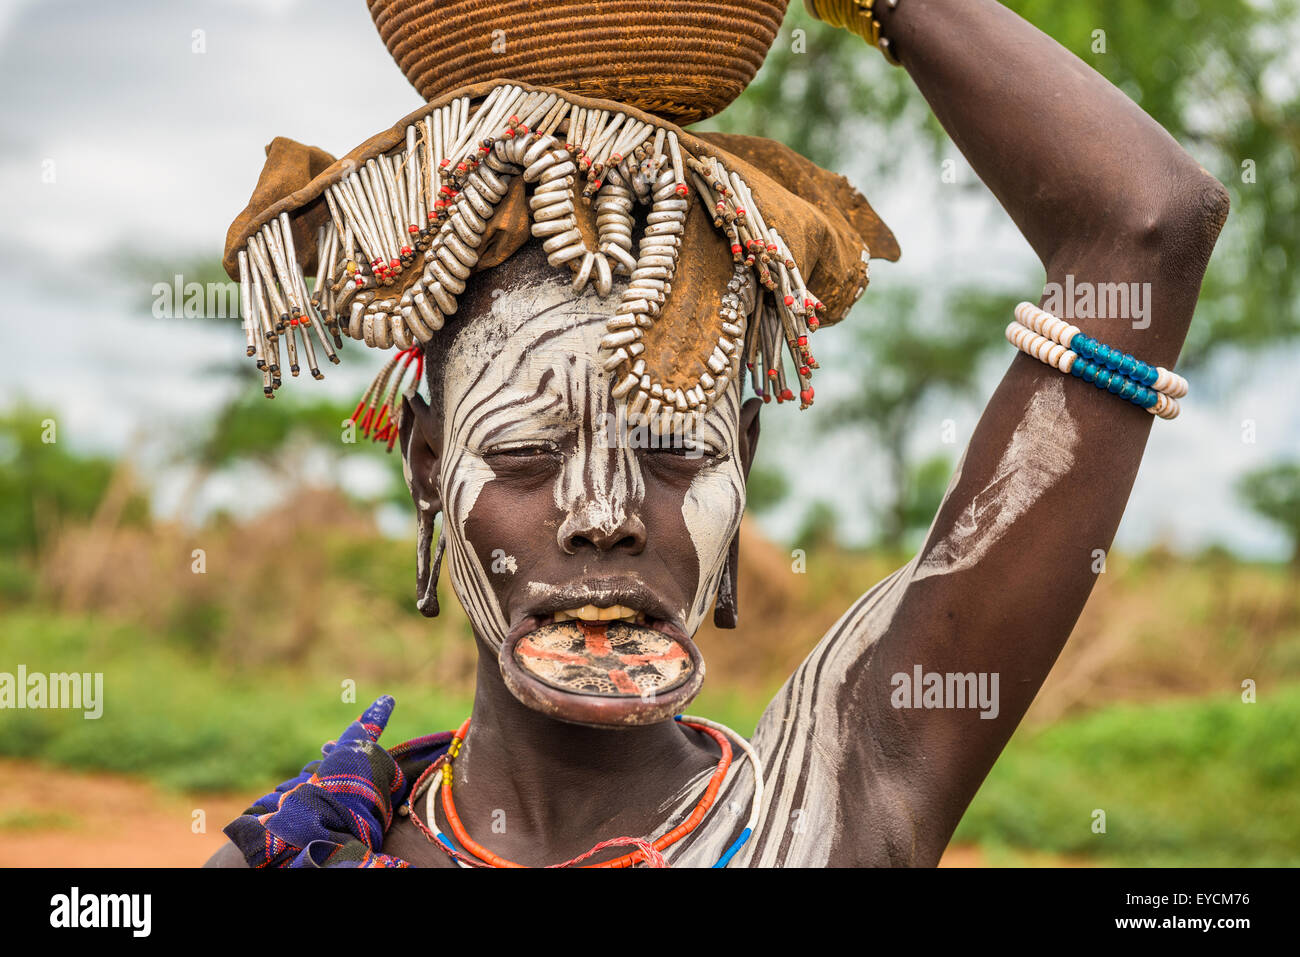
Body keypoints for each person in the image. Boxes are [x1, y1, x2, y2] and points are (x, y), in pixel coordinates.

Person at [206, 0, 1228, 867]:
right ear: (428, 468)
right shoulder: (308, 842)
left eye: (672, 452)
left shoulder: (837, 803)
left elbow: (1148, 220)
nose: (601, 516)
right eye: (522, 455)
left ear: (742, 459)